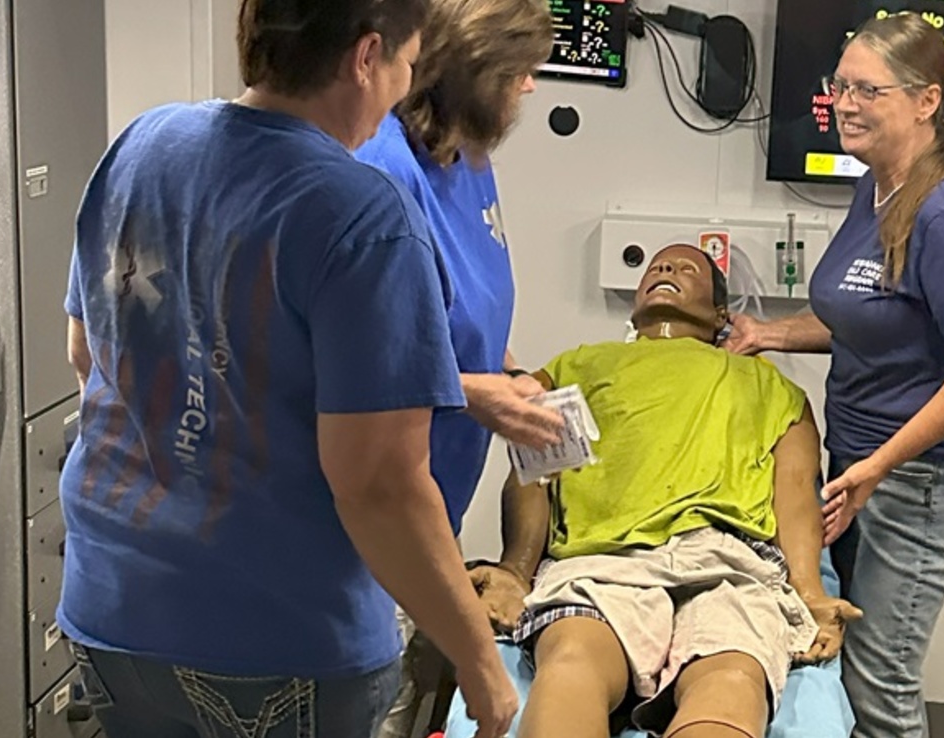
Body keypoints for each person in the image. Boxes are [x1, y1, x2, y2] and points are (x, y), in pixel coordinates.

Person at [59, 1, 516, 737]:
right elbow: (380, 487)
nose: (402, 89)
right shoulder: (362, 215)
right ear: (367, 57)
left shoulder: (144, 144)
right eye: (405, 64)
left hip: (112, 612)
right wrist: (480, 664)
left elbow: (89, 354)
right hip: (278, 646)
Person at [723, 13, 944, 738]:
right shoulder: (878, 186)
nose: (845, 104)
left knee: (880, 690)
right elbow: (870, 316)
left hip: (922, 485)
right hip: (862, 472)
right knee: (847, 677)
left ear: (926, 101)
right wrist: (768, 333)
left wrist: (878, 466)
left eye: (868, 90)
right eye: (840, 86)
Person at [468, 244, 863, 738]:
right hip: (604, 558)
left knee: (731, 679)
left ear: (721, 314)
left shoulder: (770, 387)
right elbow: (535, 472)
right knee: (571, 661)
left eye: (686, 268)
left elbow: (798, 493)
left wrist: (808, 590)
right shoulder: (578, 367)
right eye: (656, 266)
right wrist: (515, 570)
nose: (666, 269)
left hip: (730, 562)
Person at [352, 0, 562, 733]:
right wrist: (479, 396)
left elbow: (453, 302)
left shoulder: (467, 157)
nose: (530, 88)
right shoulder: (381, 174)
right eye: (519, 72)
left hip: (435, 486)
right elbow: (364, 359)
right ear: (470, 70)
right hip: (370, 507)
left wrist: (502, 368)